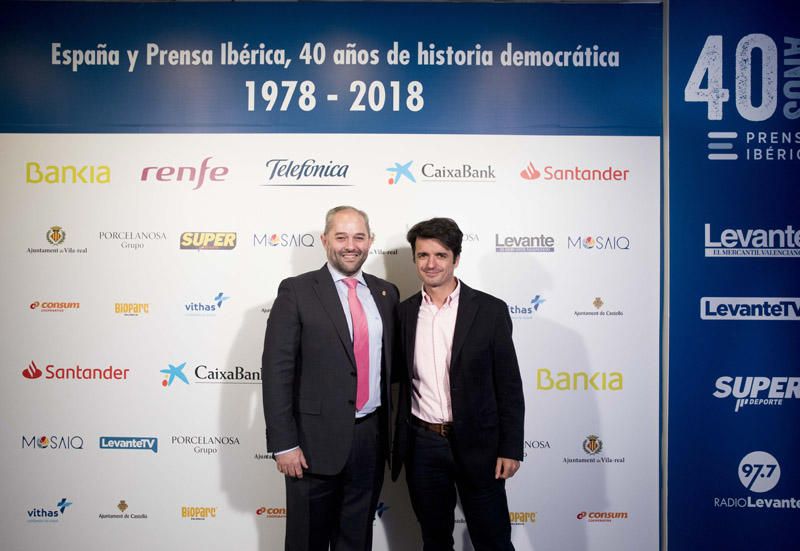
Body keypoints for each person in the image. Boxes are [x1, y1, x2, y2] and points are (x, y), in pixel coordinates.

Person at [262, 206, 399, 551]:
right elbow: (277, 371)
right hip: (310, 444)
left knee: (356, 539)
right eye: (341, 237)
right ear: (325, 241)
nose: (350, 245)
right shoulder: (297, 291)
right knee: (307, 540)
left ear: (370, 241)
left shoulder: (387, 293)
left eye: (358, 237)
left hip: (370, 437)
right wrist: (284, 443)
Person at [391, 217, 524, 551]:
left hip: (480, 444)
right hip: (423, 446)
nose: (431, 263)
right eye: (423, 255)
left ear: (456, 259)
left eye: (440, 255)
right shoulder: (403, 314)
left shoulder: (490, 311)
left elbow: (508, 384)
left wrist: (510, 446)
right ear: (414, 259)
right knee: (434, 541)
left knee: (492, 540)